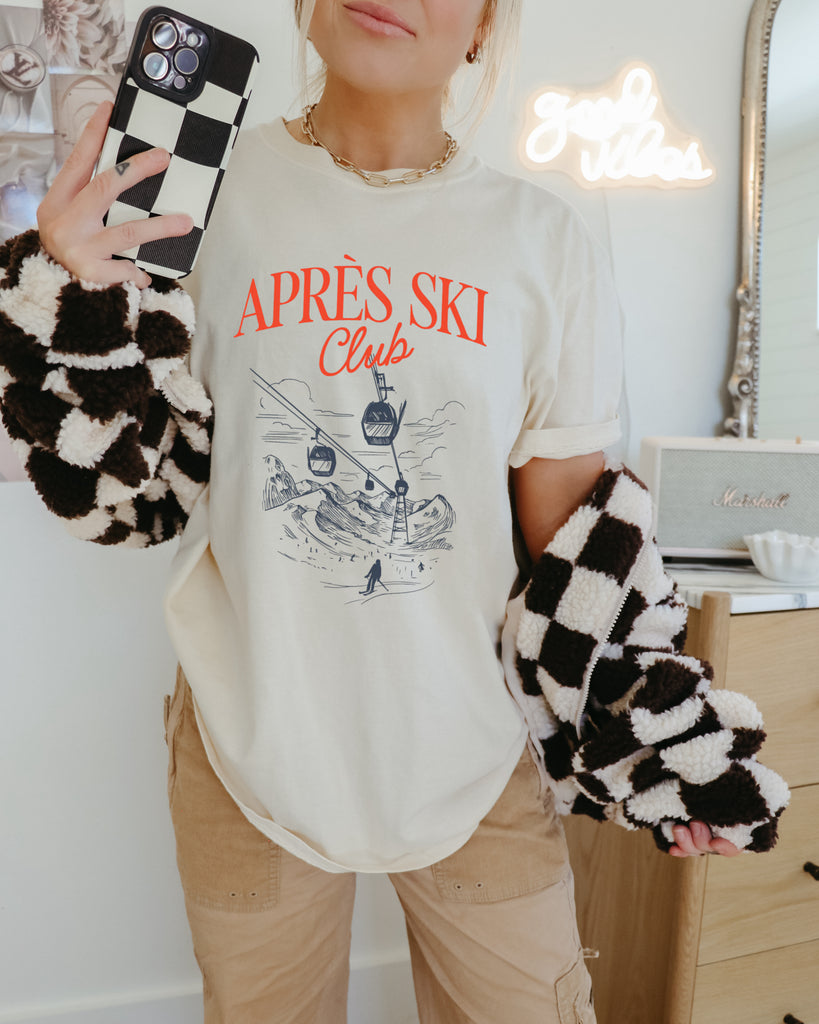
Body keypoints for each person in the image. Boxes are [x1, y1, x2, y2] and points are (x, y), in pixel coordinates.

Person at [0, 1, 789, 1022]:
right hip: (250, 745)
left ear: (484, 26)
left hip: (475, 749)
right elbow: (128, 503)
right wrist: (70, 312)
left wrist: (659, 746)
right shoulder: (194, 201)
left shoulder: (543, 240)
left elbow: (572, 544)